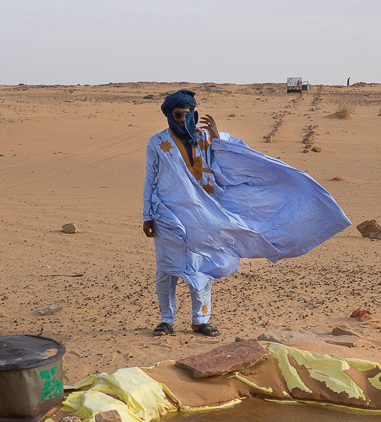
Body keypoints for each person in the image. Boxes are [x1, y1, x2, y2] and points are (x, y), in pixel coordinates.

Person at [142, 89, 353, 337]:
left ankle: (200, 320)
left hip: (204, 215)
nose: (182, 120)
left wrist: (218, 138)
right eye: (177, 115)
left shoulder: (205, 138)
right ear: (169, 115)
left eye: (188, 115)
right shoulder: (157, 143)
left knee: (203, 265)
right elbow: (150, 179)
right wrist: (147, 214)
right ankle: (166, 320)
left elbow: (237, 159)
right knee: (167, 269)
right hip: (168, 214)